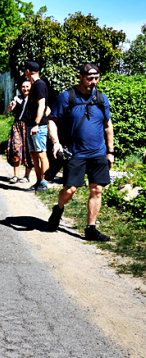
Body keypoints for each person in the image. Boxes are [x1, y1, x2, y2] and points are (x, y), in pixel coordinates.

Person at [47, 63, 115, 241]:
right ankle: (59, 208)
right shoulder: (66, 97)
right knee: (70, 190)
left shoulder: (102, 98)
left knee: (97, 189)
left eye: (96, 78)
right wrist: (56, 143)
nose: (93, 82)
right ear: (80, 77)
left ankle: (90, 228)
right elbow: (52, 120)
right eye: (90, 78)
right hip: (75, 153)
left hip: (98, 152)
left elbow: (108, 126)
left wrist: (111, 151)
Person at [24, 61, 50, 193]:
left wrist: (37, 123)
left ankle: (44, 182)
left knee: (41, 154)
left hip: (38, 126)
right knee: (34, 154)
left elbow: (42, 105)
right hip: (31, 125)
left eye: (25, 70)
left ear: (28, 71)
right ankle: (38, 181)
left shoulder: (40, 85)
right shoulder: (34, 85)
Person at [6, 79, 34, 184]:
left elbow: (45, 108)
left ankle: (26, 176)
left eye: (27, 86)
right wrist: (11, 106)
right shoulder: (17, 98)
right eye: (23, 86)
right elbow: (9, 109)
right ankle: (15, 176)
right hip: (17, 126)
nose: (25, 89)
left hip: (29, 127)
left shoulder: (34, 99)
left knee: (28, 151)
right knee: (16, 148)